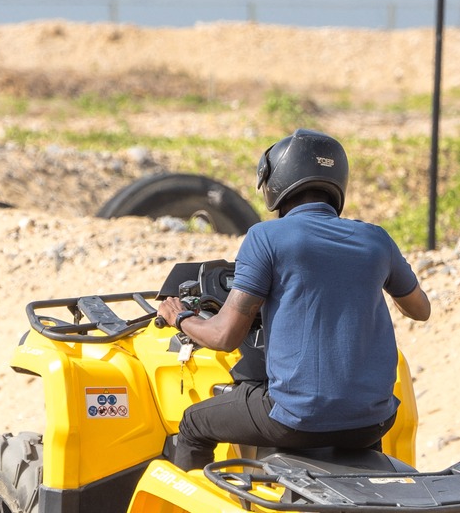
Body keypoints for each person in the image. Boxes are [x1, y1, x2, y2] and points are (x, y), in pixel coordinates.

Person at [156, 129, 431, 470]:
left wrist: (179, 316)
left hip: (296, 421)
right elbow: (420, 309)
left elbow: (224, 337)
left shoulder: (266, 237)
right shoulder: (376, 239)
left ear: (275, 183)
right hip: (372, 423)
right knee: (348, 418)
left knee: (194, 423)